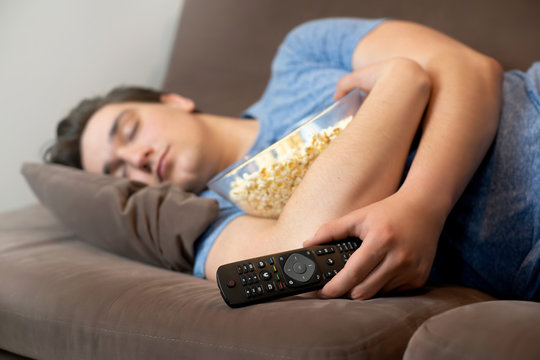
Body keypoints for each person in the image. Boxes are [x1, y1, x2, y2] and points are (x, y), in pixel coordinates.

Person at [44, 18, 539, 301]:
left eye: (128, 130)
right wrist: (401, 85)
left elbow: (469, 70)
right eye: (117, 170)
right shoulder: (214, 222)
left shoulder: (300, 53)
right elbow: (292, 256)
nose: (136, 156)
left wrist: (421, 205)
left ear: (173, 99)